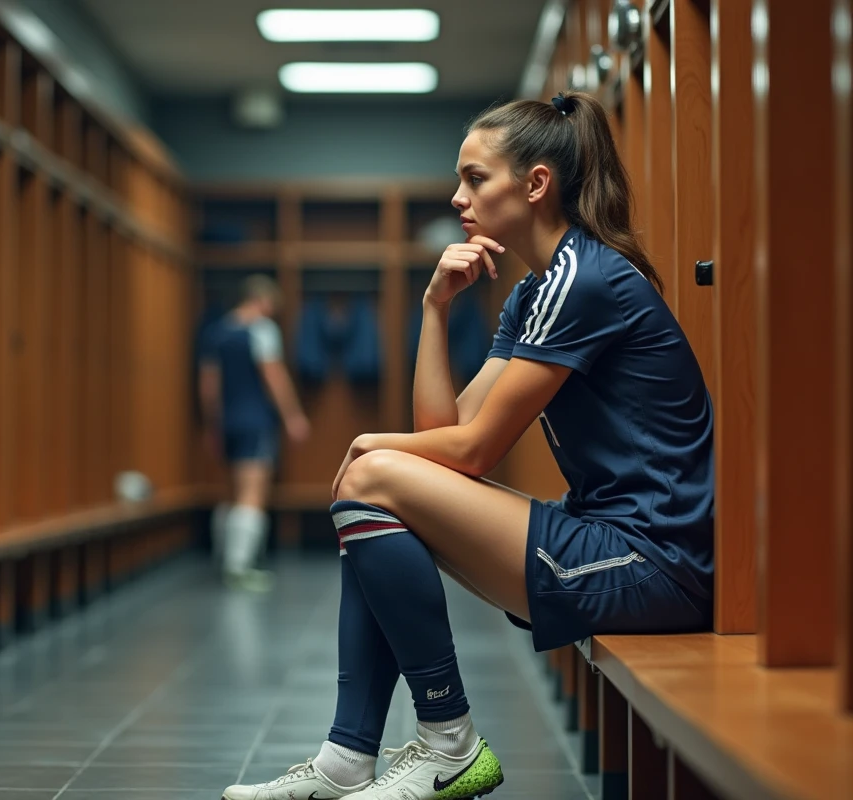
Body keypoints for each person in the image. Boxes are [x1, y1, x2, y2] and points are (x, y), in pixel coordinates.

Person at [222, 90, 713, 800]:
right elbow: (440, 439)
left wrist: (364, 443)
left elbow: (473, 452)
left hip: (653, 565)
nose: (458, 196)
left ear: (537, 183)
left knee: (372, 475)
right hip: (607, 542)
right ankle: (348, 758)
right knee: (379, 483)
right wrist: (434, 306)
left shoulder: (587, 281)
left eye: (475, 178)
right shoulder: (536, 292)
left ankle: (448, 742)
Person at [199, 275, 311, 590]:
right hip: (255, 421)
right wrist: (292, 416)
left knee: (230, 492)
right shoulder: (261, 330)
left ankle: (223, 558)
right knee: (252, 493)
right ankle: (239, 567)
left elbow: (208, 388)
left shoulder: (216, 332)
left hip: (227, 422)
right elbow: (273, 377)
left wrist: (212, 426)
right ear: (261, 300)